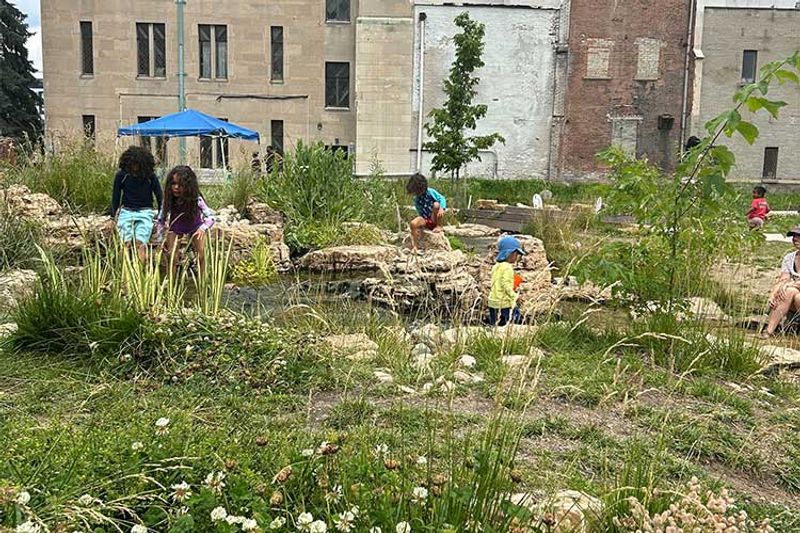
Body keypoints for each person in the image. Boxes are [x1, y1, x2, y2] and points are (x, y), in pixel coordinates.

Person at [157, 165, 216, 277]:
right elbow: (161, 219)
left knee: (201, 255)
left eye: (180, 185)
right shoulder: (169, 199)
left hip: (195, 226)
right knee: (171, 256)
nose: (176, 187)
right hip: (176, 227)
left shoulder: (196, 199)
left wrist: (203, 228)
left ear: (188, 186)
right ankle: (171, 283)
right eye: (173, 184)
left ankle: (202, 280)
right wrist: (160, 239)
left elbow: (211, 217)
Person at [111, 145, 163, 262]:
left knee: (140, 243)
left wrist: (161, 215)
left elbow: (159, 196)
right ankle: (124, 273)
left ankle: (140, 272)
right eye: (132, 164)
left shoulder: (150, 177)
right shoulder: (122, 176)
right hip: (126, 211)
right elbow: (116, 196)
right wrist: (113, 215)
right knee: (125, 243)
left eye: (137, 165)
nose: (135, 168)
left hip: (145, 211)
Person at [761, 225, 800, 338]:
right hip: (793, 300)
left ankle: (770, 331)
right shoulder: (789, 257)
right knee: (790, 291)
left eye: (799, 236)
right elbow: (783, 279)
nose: (795, 239)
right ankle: (768, 331)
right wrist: (772, 295)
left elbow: (788, 283)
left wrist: (791, 284)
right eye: (794, 236)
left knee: (793, 293)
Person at [486, 236, 526, 326]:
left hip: (492, 302)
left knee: (495, 326)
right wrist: (515, 296)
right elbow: (506, 285)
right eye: (516, 254)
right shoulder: (508, 267)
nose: (517, 257)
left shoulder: (496, 266)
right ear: (510, 253)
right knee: (510, 324)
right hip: (503, 303)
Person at [406, 172, 447, 250]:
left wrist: (442, 208)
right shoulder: (417, 199)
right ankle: (415, 245)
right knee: (413, 223)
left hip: (434, 217)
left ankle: (439, 226)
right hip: (425, 219)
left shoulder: (430, 192)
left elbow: (442, 198)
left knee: (436, 205)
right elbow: (420, 213)